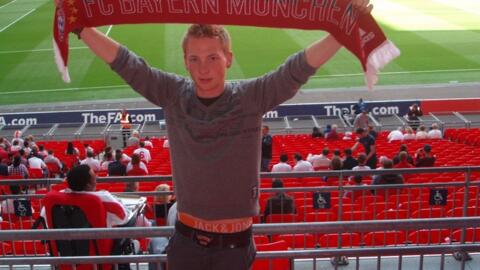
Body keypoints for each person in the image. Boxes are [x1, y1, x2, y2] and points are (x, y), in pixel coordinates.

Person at [69, 1, 374, 268]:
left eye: (212, 57)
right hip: (186, 245)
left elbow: (295, 69)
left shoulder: (250, 97)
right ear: (185, 60)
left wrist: (341, 30)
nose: (203, 68)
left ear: (228, 58)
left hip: (235, 249)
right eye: (194, 59)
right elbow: (129, 65)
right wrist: (81, 28)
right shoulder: (173, 94)